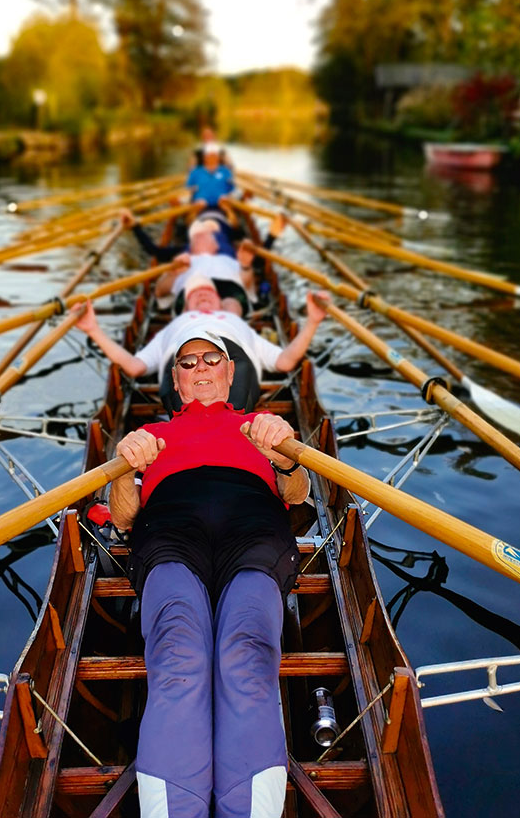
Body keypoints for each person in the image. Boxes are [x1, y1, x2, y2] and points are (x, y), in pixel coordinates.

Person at [110, 328, 310, 818]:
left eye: (210, 358)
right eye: (187, 362)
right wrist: (121, 466)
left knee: (245, 650)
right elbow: (121, 518)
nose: (199, 367)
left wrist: (286, 456)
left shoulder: (261, 424)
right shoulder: (149, 437)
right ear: (176, 382)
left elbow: (300, 494)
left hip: (254, 527)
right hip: (171, 528)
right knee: (179, 651)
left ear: (229, 371)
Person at [74, 275, 329, 412]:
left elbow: (285, 361)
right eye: (196, 294)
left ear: (220, 303)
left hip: (232, 356)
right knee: (189, 407)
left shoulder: (233, 320)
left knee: (229, 411)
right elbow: (134, 367)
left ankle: (227, 447)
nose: (203, 294)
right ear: (185, 306)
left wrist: (313, 322)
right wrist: (92, 329)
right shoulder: (175, 325)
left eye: (209, 293)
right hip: (180, 362)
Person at [186, 142, 235, 208]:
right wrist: (195, 199)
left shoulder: (225, 171)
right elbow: (188, 189)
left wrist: (227, 198)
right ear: (205, 157)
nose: (212, 158)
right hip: (199, 207)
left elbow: (232, 189)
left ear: (218, 157)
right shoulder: (195, 171)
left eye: (214, 156)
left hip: (222, 206)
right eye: (210, 156)